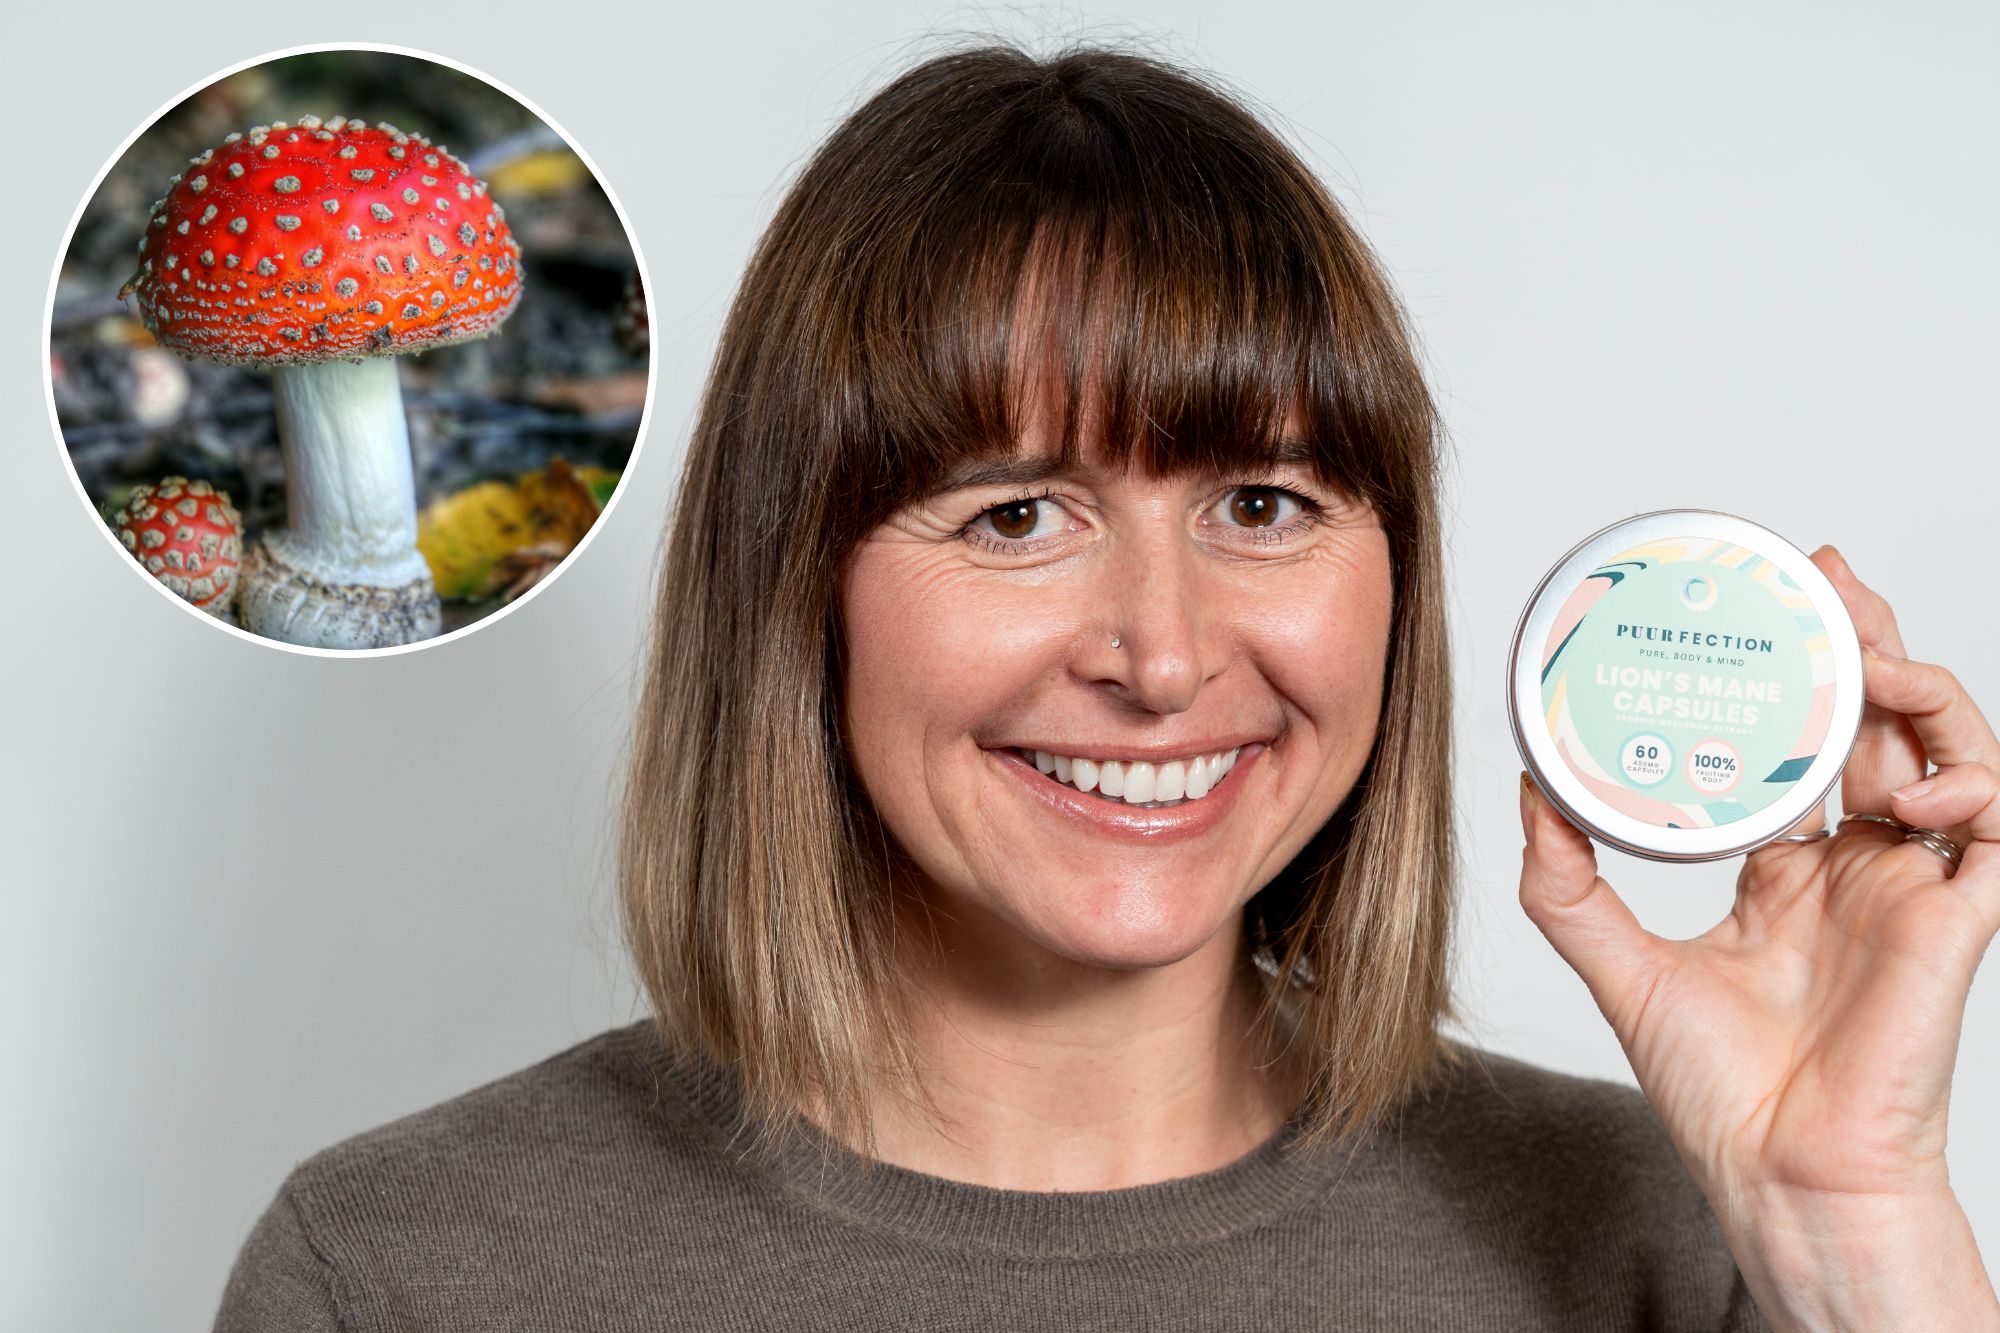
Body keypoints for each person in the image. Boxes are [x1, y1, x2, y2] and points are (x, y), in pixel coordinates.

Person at [213, 41, 2000, 1331]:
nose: (1160, 653)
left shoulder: (1679, 1249)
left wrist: (1851, 1225)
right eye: (1013, 514)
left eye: (1262, 501)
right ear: (794, 591)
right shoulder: (403, 1272)